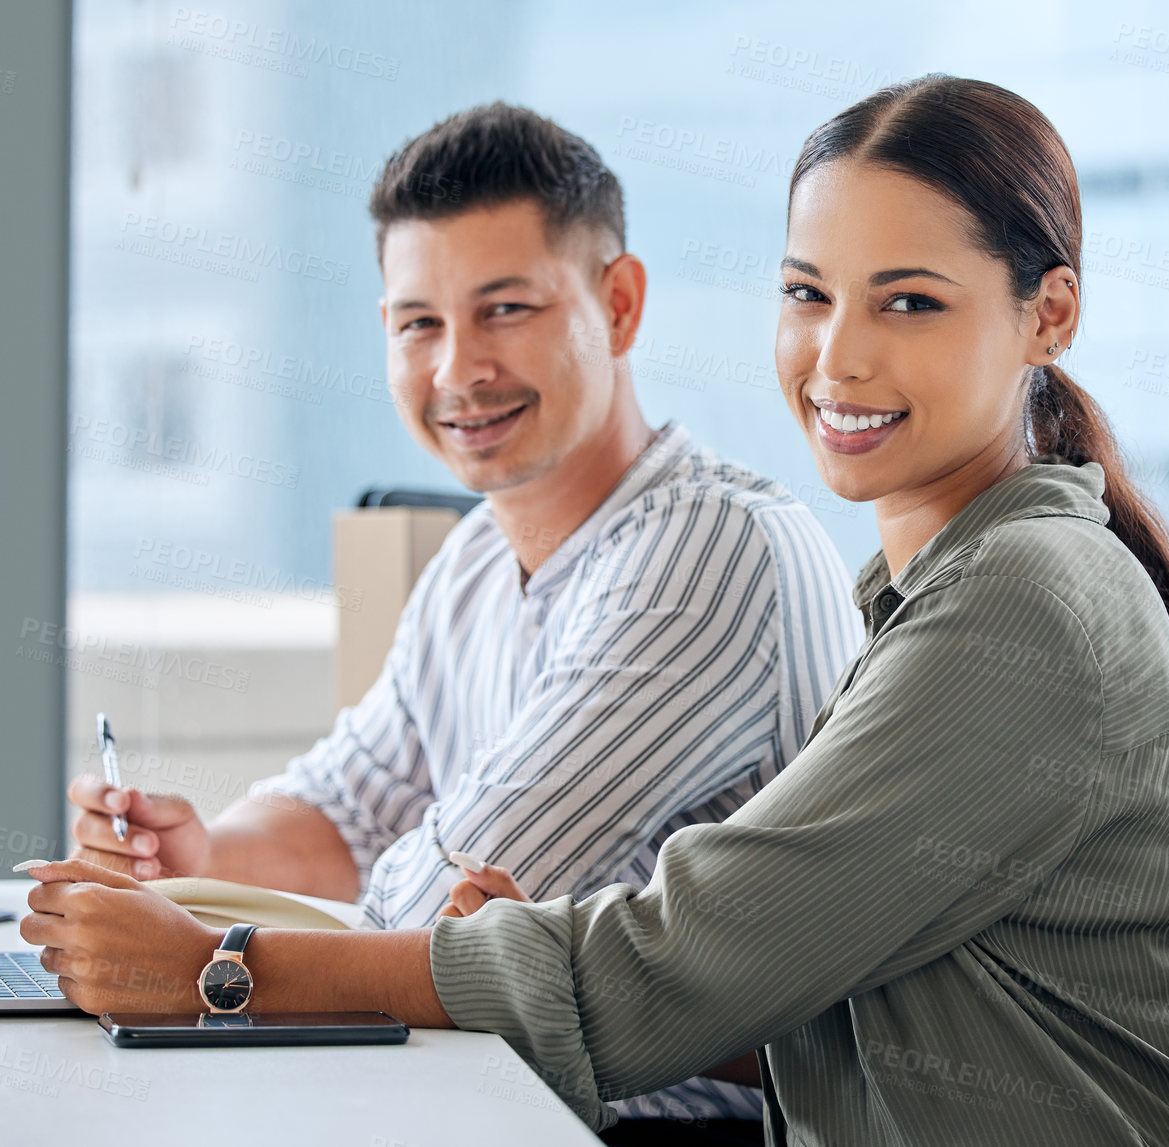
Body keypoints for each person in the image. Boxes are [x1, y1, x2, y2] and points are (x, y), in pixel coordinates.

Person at [26, 77, 1169, 1146]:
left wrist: (217, 970)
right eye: (806, 294)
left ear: (1046, 315)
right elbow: (824, 1002)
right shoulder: (937, 588)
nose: (837, 356)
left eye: (908, 301)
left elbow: (661, 965)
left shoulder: (1022, 601)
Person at [62, 103, 862, 1134]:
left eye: (505, 310)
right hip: (495, 1101)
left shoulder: (707, 548)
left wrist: (209, 949)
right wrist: (197, 858)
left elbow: (452, 920)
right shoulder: (477, 556)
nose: (456, 371)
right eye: (418, 323)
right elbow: (349, 807)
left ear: (618, 305)